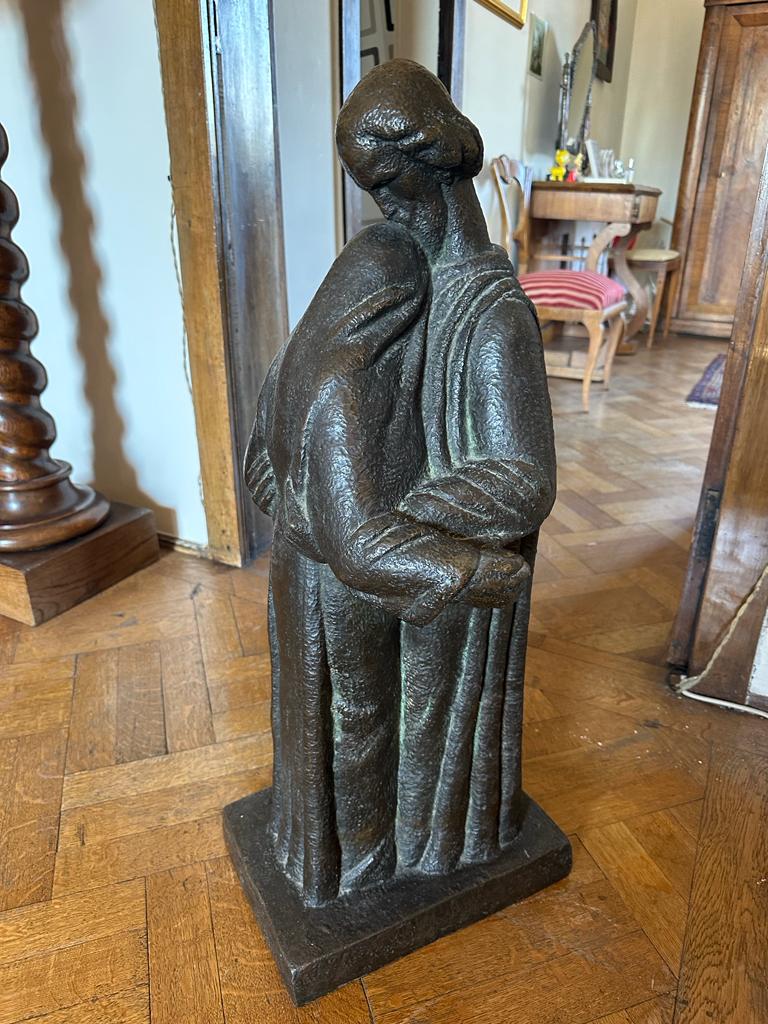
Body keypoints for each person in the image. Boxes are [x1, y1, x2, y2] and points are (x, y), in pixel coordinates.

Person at [245, 59, 555, 906]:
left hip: (437, 589)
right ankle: (347, 863)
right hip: (374, 568)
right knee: (334, 719)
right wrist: (318, 504)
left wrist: (395, 524)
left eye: (389, 182)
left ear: (439, 159)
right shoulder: (385, 270)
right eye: (369, 187)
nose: (383, 204)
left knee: (392, 738)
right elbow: (297, 399)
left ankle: (396, 859)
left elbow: (524, 478)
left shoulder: (490, 312)